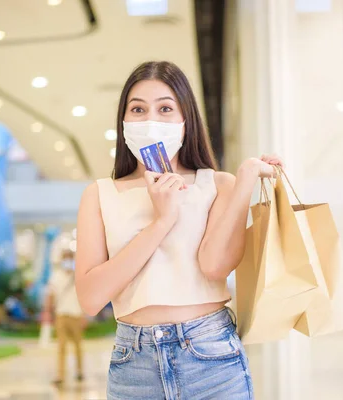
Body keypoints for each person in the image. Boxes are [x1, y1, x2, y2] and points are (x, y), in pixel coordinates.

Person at [75, 61, 283, 400]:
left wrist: (246, 177)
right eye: (138, 109)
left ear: (186, 120)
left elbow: (215, 266)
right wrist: (162, 222)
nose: (151, 120)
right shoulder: (100, 194)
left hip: (211, 357)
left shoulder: (217, 184)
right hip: (134, 365)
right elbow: (90, 297)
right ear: (123, 122)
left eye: (165, 108)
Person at [44, 249, 85, 387]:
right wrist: (47, 313)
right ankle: (60, 375)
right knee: (61, 346)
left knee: (78, 345)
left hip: (76, 315)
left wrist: (85, 315)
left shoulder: (78, 276)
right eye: (65, 258)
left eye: (70, 258)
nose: (67, 261)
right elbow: (50, 295)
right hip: (61, 315)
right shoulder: (56, 276)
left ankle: (79, 371)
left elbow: (83, 297)